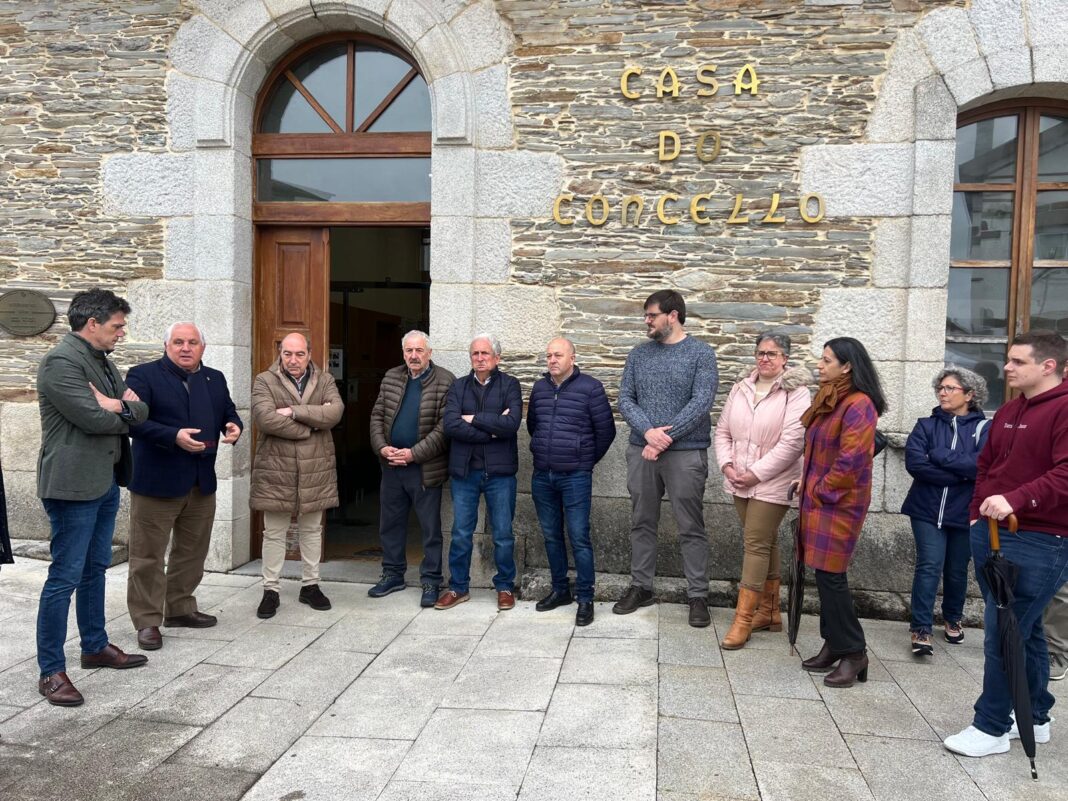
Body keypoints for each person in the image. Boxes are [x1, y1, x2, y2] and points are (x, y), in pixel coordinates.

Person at [944, 330, 1068, 758]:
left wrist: (1016, 499)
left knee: (1004, 631)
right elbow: (987, 466)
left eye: (1017, 361)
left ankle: (991, 726)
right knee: (1024, 630)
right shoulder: (1010, 410)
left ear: (1048, 366)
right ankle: (1035, 716)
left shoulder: (1064, 408)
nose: (1007, 367)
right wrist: (975, 512)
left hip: (1041, 539)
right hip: (991, 531)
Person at [35, 289, 150, 707]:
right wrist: (121, 408)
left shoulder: (102, 360)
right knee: (64, 577)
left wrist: (113, 405)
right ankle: (51, 671)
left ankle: (95, 646)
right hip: (72, 486)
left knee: (95, 568)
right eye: (117, 326)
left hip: (104, 482)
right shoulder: (61, 362)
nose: (122, 332)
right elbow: (92, 418)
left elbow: (141, 411)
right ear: (93, 324)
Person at [124, 322, 243, 651]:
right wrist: (172, 436)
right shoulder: (143, 376)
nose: (186, 348)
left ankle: (179, 608)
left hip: (201, 481)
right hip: (156, 482)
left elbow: (227, 411)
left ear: (203, 347)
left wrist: (234, 426)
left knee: (192, 552)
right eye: (178, 342)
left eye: (192, 342)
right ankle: (147, 620)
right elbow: (133, 421)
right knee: (147, 556)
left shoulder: (214, 378)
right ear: (166, 346)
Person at [615, 289, 718, 628]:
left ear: (673, 316)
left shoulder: (701, 354)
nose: (647, 321)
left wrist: (664, 439)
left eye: (652, 315)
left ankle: (698, 595)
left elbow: (701, 402)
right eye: (646, 315)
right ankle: (641, 586)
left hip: (686, 454)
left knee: (691, 525)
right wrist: (648, 433)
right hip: (642, 450)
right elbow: (625, 399)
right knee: (642, 521)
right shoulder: (638, 355)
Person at [797, 337, 885, 688]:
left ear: (847, 366)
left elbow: (852, 459)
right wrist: (806, 482)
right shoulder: (831, 397)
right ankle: (833, 643)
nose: (819, 365)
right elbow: (819, 450)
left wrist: (821, 489)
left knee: (832, 577)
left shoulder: (858, 404)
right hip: (819, 499)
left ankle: (854, 651)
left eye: (827, 360)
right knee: (823, 575)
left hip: (839, 503)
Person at [714, 332, 809, 649]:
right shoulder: (741, 387)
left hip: (773, 481)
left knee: (754, 544)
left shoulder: (796, 393)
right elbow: (723, 431)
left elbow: (793, 443)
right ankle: (769, 612)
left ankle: (743, 620)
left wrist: (755, 474)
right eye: (760, 352)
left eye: (772, 353)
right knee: (766, 540)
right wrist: (728, 466)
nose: (765, 358)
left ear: (785, 358)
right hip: (739, 478)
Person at [250, 332, 344, 619]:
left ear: (309, 354)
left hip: (315, 468)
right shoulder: (264, 380)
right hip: (276, 469)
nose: (293, 360)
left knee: (312, 530)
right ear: (280, 353)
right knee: (274, 532)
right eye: (288, 353)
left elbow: (335, 413)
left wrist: (292, 411)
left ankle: (310, 586)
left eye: (299, 354)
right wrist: (311, 426)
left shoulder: (325, 380)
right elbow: (265, 418)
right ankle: (270, 589)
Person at [901, 366, 989, 657]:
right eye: (940, 388)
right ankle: (921, 627)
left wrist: (938, 455)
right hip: (926, 509)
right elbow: (916, 465)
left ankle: (952, 617)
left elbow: (981, 466)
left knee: (957, 569)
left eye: (950, 388)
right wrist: (960, 475)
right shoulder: (925, 426)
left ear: (970, 394)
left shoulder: (984, 428)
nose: (942, 393)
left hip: (965, 511)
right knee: (929, 564)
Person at [527, 337, 616, 626]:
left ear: (572, 358)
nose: (552, 360)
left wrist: (584, 460)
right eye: (549, 356)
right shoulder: (540, 388)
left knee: (579, 536)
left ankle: (586, 597)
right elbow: (533, 426)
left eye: (558, 355)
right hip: (543, 475)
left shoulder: (590, 388)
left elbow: (606, 431)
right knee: (551, 535)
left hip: (575, 476)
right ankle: (560, 590)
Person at [367, 330, 455, 608]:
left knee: (430, 529)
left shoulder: (445, 380)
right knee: (390, 524)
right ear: (403, 353)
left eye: (419, 350)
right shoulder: (391, 377)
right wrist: (382, 448)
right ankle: (393, 574)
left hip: (424, 468)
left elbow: (444, 428)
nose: (414, 356)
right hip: (392, 466)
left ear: (429, 353)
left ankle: (431, 580)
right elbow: (377, 416)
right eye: (409, 351)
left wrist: (413, 454)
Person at [437, 334, 522, 612]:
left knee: (503, 534)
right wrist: (491, 431)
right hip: (465, 472)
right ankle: (458, 587)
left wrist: (473, 418)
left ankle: (505, 586)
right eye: (475, 353)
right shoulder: (459, 386)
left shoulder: (510, 384)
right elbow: (451, 425)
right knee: (461, 533)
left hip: (500, 473)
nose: (480, 358)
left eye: (485, 353)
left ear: (497, 358)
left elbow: (511, 424)